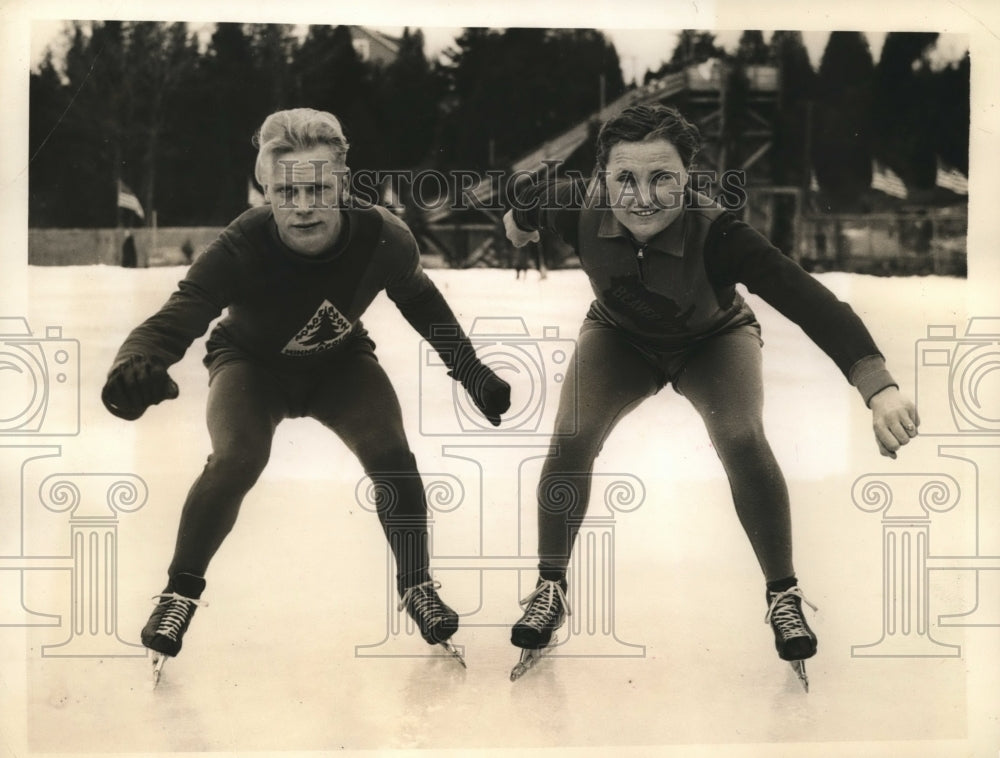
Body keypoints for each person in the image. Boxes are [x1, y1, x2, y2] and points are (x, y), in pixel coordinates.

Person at [502, 104, 918, 686]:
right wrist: (520, 220)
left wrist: (879, 387)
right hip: (619, 338)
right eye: (625, 178)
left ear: (690, 177)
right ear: (600, 177)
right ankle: (550, 586)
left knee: (741, 436)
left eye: (662, 177)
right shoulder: (575, 201)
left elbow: (810, 301)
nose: (643, 197)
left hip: (714, 341)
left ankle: (783, 593)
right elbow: (531, 204)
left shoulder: (721, 234)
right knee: (571, 437)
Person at [101, 108, 510, 681]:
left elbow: (422, 303)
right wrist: (132, 368)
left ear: (343, 183)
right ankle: (179, 593)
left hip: (339, 363)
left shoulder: (382, 236)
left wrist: (472, 373)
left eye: (317, 187)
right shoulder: (242, 243)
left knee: (391, 455)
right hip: (250, 365)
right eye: (285, 192)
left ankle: (416, 584)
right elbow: (174, 320)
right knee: (238, 457)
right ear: (264, 190)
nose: (303, 205)